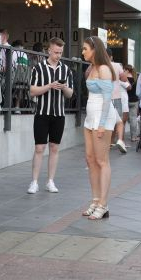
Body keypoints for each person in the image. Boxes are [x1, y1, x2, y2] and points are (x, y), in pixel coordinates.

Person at [27, 37, 74, 194]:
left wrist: (64, 87)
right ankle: (34, 181)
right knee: (39, 147)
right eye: (56, 52)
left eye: (60, 52)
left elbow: (70, 94)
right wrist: (48, 86)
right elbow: (32, 91)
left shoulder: (66, 70)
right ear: (49, 50)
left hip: (58, 113)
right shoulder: (38, 68)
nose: (58, 55)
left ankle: (50, 181)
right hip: (41, 112)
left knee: (54, 147)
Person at [81, 37, 116, 220]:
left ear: (95, 49)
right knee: (90, 159)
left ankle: (103, 203)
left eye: (85, 48)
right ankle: (95, 200)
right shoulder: (92, 68)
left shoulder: (103, 69)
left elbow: (107, 98)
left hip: (102, 117)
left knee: (102, 161)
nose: (83, 52)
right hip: (90, 116)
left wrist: (102, 123)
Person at [107, 48, 129, 154]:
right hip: (116, 97)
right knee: (118, 121)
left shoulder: (99, 65)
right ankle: (120, 140)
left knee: (106, 121)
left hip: (104, 98)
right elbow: (124, 79)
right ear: (111, 57)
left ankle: (109, 142)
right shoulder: (116, 66)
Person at [124, 64, 140, 142]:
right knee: (133, 119)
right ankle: (133, 137)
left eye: (124, 69)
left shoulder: (124, 78)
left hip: (126, 100)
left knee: (122, 118)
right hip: (134, 101)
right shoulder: (136, 78)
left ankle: (120, 137)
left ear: (127, 70)